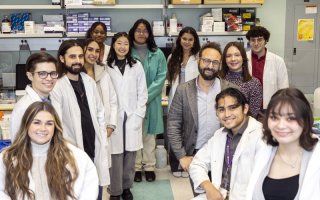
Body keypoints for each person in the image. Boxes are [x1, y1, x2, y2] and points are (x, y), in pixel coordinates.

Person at [167, 42, 238, 194]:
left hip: (226, 154)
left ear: (220, 65)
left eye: (215, 62)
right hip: (196, 156)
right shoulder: (184, 90)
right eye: (206, 60)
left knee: (226, 195)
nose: (210, 66)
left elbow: (241, 124)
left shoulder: (231, 90)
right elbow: (173, 123)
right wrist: (181, 156)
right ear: (199, 60)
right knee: (201, 195)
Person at [0, 102, 99, 200]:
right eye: (36, 122)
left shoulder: (76, 157)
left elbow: (89, 189)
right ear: (26, 125)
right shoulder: (7, 158)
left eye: (49, 123)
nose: (43, 128)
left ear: (55, 127)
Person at [51, 39, 109, 199]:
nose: (77, 61)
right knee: (78, 192)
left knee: (96, 191)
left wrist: (103, 137)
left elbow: (100, 112)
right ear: (62, 59)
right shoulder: (58, 86)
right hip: (73, 150)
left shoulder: (89, 82)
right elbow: (58, 122)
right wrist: (68, 148)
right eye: (72, 57)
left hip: (94, 146)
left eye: (80, 56)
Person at [189, 88, 265, 200]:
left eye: (232, 108)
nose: (227, 114)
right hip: (220, 195)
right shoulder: (219, 135)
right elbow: (197, 164)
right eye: (221, 110)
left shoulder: (261, 136)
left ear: (245, 108)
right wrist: (209, 188)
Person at [246, 88, 320, 200]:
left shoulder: (316, 158)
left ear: (305, 120)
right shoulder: (262, 153)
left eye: (291, 118)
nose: (281, 125)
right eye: (274, 117)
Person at [106, 32, 148, 200]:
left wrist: (138, 114)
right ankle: (115, 191)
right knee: (115, 155)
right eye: (119, 43)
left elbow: (142, 93)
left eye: (125, 44)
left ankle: (126, 187)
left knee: (130, 156)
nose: (122, 47)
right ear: (113, 45)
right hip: (113, 116)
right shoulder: (106, 66)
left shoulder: (136, 65)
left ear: (129, 46)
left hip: (132, 115)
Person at [128, 18, 167, 182]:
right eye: (138, 30)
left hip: (151, 102)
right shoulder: (127, 52)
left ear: (149, 33)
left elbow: (161, 77)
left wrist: (145, 98)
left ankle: (149, 167)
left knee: (150, 135)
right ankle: (136, 168)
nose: (141, 33)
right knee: (134, 134)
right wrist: (137, 99)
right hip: (132, 102)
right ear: (133, 32)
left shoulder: (157, 53)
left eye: (145, 30)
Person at [167, 26, 200, 178]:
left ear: (194, 41)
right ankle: (175, 164)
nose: (187, 42)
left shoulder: (199, 58)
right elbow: (169, 80)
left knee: (189, 134)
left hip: (192, 100)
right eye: (184, 39)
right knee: (175, 133)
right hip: (176, 99)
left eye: (190, 39)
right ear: (180, 39)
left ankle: (187, 165)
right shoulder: (173, 57)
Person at [10, 52, 58, 140]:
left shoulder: (53, 99)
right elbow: (17, 144)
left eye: (53, 73)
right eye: (42, 74)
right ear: (30, 76)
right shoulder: (24, 107)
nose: (49, 78)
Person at [245, 26, 289, 110]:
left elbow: (284, 88)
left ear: (266, 41)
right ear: (249, 41)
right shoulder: (243, 59)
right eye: (253, 40)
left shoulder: (278, 61)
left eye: (260, 39)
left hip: (270, 107)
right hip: (248, 108)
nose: (256, 43)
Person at [83, 38, 118, 140]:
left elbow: (113, 100)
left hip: (104, 128)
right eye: (90, 49)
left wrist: (111, 126)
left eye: (97, 51)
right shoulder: (76, 75)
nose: (94, 54)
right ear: (82, 50)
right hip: (85, 129)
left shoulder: (103, 72)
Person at [220, 41, 262, 118]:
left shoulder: (254, 83)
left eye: (237, 55)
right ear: (224, 60)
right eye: (228, 56)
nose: (233, 59)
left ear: (243, 58)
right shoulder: (218, 80)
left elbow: (252, 114)